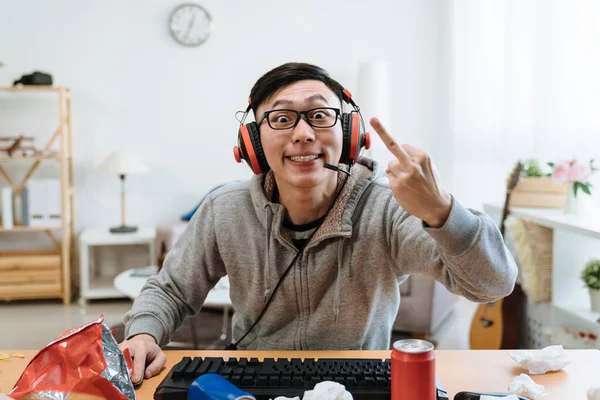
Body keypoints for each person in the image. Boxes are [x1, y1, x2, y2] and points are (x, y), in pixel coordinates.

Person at [119, 62, 518, 384]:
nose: (304, 134)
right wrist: (144, 332)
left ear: (349, 134)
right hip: (253, 383)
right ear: (253, 143)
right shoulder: (225, 208)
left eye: (320, 115)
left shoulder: (388, 208)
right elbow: (171, 290)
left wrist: (442, 212)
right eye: (281, 119)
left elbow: (493, 283)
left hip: (362, 384)